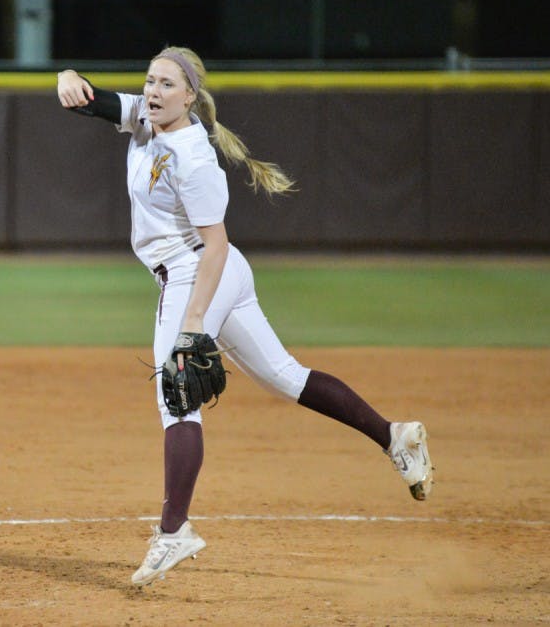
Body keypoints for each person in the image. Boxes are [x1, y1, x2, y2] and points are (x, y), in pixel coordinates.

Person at [56, 47, 434, 588]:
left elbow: (215, 246)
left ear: (191, 95)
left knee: (177, 393)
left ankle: (173, 531)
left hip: (198, 270)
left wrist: (191, 324)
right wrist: (67, 78)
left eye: (168, 84)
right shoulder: (145, 116)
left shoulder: (194, 157)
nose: (155, 92)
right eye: (151, 81)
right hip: (210, 271)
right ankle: (395, 437)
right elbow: (91, 99)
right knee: (286, 377)